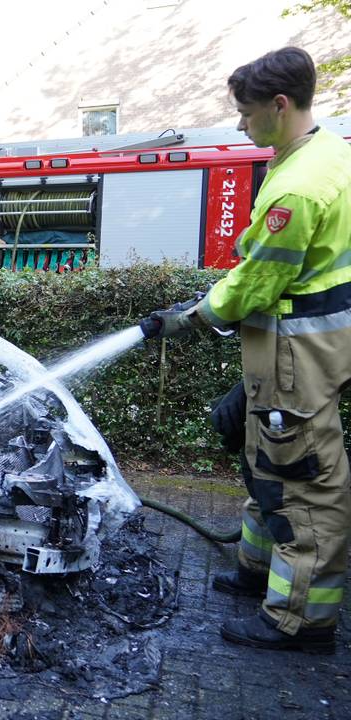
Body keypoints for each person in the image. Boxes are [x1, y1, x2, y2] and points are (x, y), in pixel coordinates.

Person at [141, 47, 351, 654]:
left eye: (246, 112)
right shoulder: (325, 154)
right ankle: (258, 571)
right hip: (293, 351)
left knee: (303, 483)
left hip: (295, 354)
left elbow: (255, 284)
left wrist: (192, 317)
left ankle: (300, 621)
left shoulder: (299, 190)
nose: (240, 125)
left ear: (280, 105)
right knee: (265, 459)